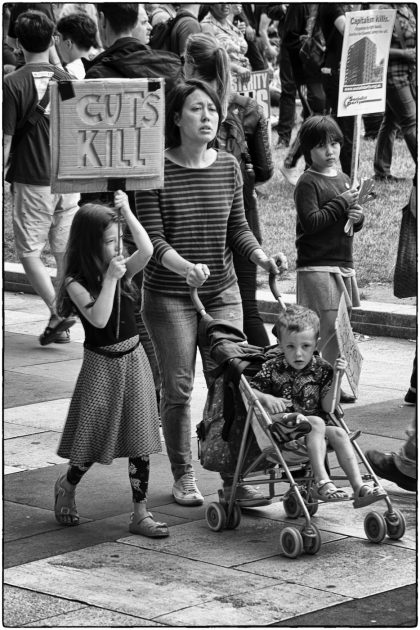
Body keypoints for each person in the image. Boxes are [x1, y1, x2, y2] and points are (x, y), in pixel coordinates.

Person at [135, 79, 286, 507]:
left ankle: (235, 477)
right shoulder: (154, 170)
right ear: (177, 118)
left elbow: (237, 228)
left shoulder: (228, 167)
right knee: (180, 389)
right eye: (197, 109)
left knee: (233, 383)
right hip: (168, 295)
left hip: (223, 290)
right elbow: (153, 240)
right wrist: (185, 268)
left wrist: (259, 257)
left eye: (212, 110)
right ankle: (183, 474)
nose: (207, 117)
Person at [54, 193, 168, 538]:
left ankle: (140, 513)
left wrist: (127, 213)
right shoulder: (76, 281)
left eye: (119, 239)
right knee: (91, 440)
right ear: (89, 244)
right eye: (109, 242)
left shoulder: (119, 268)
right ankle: (67, 484)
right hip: (101, 366)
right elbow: (100, 319)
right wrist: (111, 280)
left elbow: (147, 251)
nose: (117, 247)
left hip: (133, 360)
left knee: (141, 440)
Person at [183, 32, 274, 347]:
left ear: (191, 64)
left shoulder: (182, 108)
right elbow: (264, 170)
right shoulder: (247, 107)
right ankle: (273, 382)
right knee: (246, 310)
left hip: (195, 231)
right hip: (243, 221)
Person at [250, 304, 386, 506]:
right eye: (290, 346)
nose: (298, 354)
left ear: (316, 345)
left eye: (305, 346)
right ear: (280, 344)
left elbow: (328, 407)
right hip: (284, 432)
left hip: (315, 431)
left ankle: (359, 487)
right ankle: (321, 482)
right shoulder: (272, 367)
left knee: (338, 432)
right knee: (315, 422)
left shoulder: (322, 368)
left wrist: (338, 377)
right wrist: (265, 398)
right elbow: (249, 390)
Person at [3, 9, 79, 346]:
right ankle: (58, 316)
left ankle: (58, 309)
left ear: (17, 43)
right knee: (63, 251)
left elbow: (5, 140)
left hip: (32, 179)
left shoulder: (11, 83)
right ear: (52, 39)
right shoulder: (67, 79)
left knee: (30, 253)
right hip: (69, 179)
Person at [294, 115, 364, 404]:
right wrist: (342, 202)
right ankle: (314, 389)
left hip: (342, 264)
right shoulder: (307, 182)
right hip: (317, 266)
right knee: (323, 330)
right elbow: (312, 222)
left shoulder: (345, 179)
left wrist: (357, 217)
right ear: (308, 150)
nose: (330, 150)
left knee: (339, 332)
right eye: (322, 145)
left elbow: (347, 221)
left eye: (334, 143)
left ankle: (331, 386)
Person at [373, 3, 416, 182]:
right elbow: (375, 46)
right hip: (392, 76)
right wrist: (404, 53)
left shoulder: (409, 10)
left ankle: (381, 171)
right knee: (411, 120)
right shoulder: (383, 10)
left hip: (409, 74)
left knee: (391, 121)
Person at [318, 3, 357, 177]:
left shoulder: (342, 6)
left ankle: (350, 177)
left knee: (340, 128)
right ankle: (351, 180)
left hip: (343, 71)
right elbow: (348, 30)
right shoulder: (332, 5)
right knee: (343, 131)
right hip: (336, 73)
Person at [200, 4, 252, 81]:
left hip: (244, 80)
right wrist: (237, 68)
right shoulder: (207, 26)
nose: (225, 3)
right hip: (224, 80)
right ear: (211, 4)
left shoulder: (229, 24)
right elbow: (211, 59)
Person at [55, 12, 101, 79]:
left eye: (59, 39)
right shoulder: (105, 59)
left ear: (68, 44)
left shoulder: (67, 74)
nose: (57, 45)